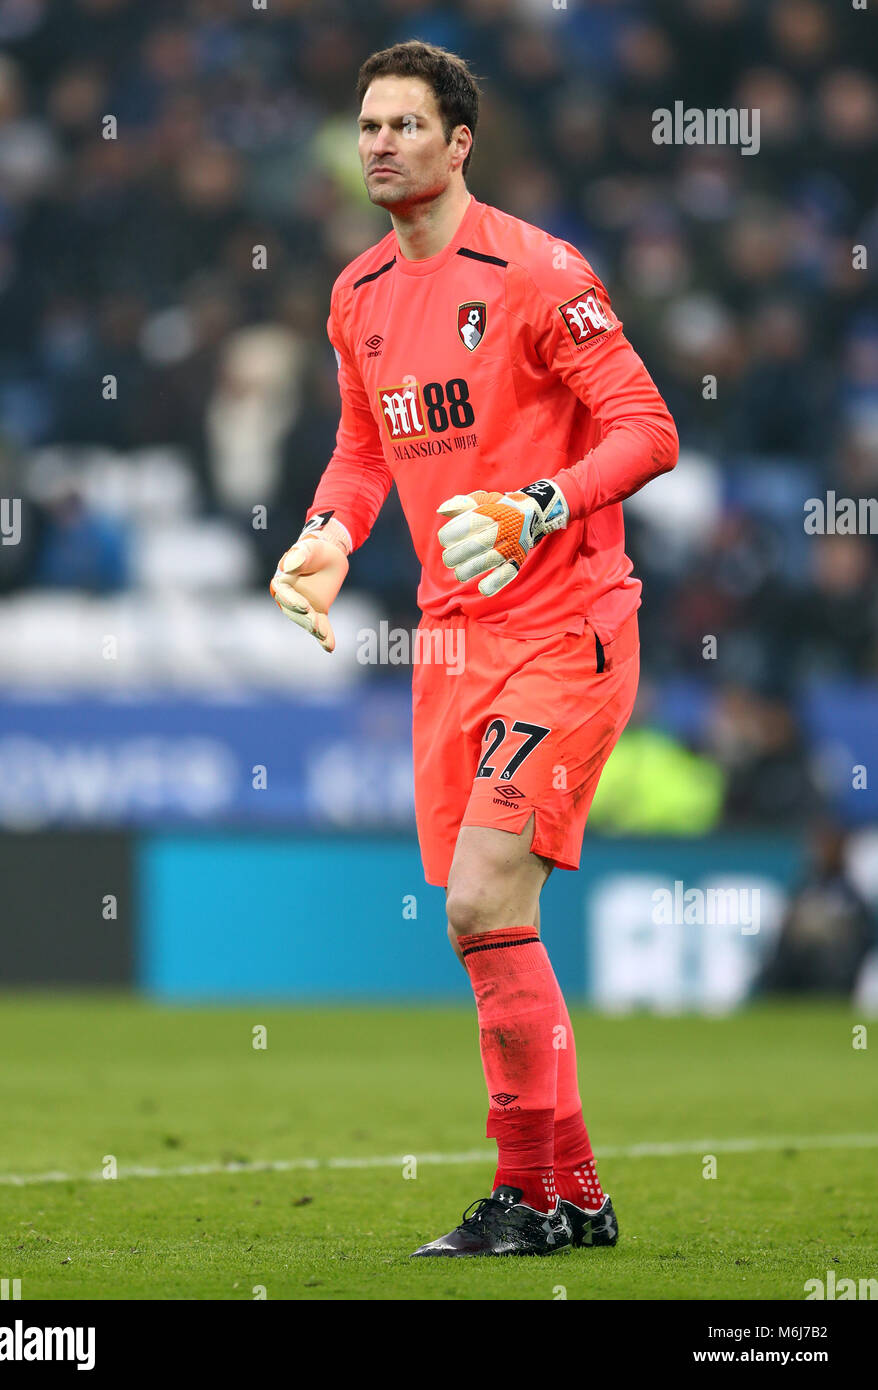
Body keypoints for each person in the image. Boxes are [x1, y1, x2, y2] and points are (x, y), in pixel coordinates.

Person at [271, 41, 678, 1257]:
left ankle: (522, 1192)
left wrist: (537, 505)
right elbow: (361, 449)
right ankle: (573, 1197)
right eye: (366, 125)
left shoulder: (538, 271)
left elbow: (647, 429)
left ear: (459, 144)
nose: (379, 143)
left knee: (484, 893)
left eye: (405, 124)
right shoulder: (355, 297)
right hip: (449, 644)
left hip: (567, 623)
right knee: (479, 924)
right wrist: (325, 538)